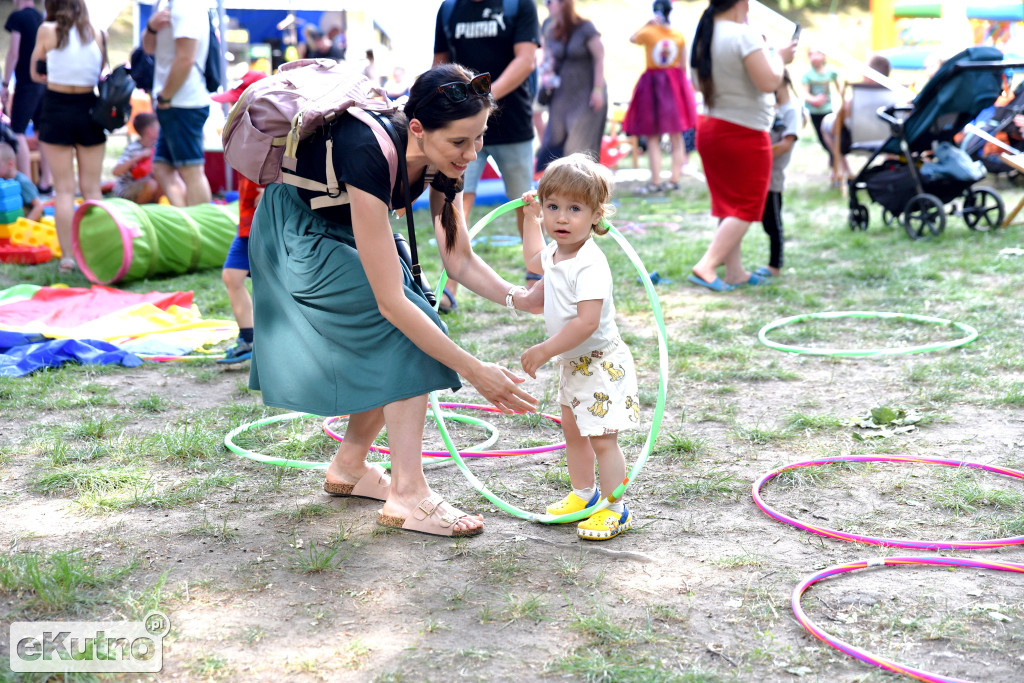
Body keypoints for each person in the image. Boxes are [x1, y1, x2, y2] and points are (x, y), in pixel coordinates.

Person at [247, 64, 543, 537]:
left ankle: (349, 465)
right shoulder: (369, 149)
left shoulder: (445, 160)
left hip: (346, 228)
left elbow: (459, 259)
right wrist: (475, 370)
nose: (472, 154)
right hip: (298, 233)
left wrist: (518, 297)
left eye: (479, 138)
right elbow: (391, 304)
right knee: (406, 331)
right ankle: (408, 494)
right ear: (419, 130)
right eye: (460, 142)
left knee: (412, 327)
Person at [519, 154, 639, 541]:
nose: (562, 218)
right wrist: (529, 218)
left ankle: (616, 508)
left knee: (603, 438)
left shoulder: (590, 263)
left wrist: (544, 350)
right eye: (553, 207)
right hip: (574, 362)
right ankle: (584, 495)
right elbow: (532, 261)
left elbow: (587, 322)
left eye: (574, 208)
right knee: (573, 432)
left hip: (599, 361)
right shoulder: (556, 253)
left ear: (596, 215)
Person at [433, 0, 541, 310]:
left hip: (513, 123)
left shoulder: (518, 5)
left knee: (526, 204)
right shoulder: (449, 8)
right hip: (461, 128)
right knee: (456, 203)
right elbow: (440, 65)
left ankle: (539, 279)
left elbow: (525, 61)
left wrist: (483, 100)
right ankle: (448, 285)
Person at [687, 0, 795, 292]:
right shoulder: (742, 34)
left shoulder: (702, 34)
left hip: (710, 128)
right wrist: (780, 57)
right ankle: (708, 264)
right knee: (747, 206)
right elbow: (769, 81)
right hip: (743, 132)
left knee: (728, 204)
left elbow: (697, 84)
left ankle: (735, 271)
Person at [29, 0, 107, 274]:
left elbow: (35, 73)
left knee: (63, 189)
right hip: (89, 110)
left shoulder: (47, 30)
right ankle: (98, 251)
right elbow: (99, 72)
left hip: (56, 110)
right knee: (92, 189)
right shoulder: (97, 32)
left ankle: (68, 259)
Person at [212, 70, 268, 365]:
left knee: (272, 287)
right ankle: (249, 339)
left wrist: (272, 192)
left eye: (236, 102)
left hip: (264, 222)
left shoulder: (271, 130)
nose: (231, 108)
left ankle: (269, 343)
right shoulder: (245, 132)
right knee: (232, 276)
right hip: (247, 222)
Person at [622, 0, 700, 195]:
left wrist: (648, 24)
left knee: (652, 136)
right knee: (677, 135)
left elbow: (633, 38)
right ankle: (674, 179)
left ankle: (655, 182)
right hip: (674, 85)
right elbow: (683, 66)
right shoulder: (678, 35)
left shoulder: (648, 33)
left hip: (653, 86)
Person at [141, 0, 212, 207]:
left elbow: (186, 59)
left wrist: (165, 97)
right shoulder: (169, 5)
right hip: (174, 102)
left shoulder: (185, 5)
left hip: (182, 102)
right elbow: (148, 48)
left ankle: (202, 230)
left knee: (191, 170)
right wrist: (151, 27)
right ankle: (188, 223)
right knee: (162, 167)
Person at [534, 0, 606, 172]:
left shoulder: (585, 28)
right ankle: (561, 187)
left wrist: (598, 90)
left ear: (563, 3)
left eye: (549, 2)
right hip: (562, 95)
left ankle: (584, 189)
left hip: (586, 93)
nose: (546, 5)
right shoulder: (552, 30)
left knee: (579, 144)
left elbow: (599, 58)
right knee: (555, 140)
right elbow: (549, 59)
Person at [820, 54, 892, 186]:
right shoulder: (894, 97)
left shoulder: (854, 100)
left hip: (855, 144)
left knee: (827, 123)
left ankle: (844, 170)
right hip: (887, 144)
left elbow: (837, 129)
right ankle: (889, 170)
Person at [3, 0, 52, 195]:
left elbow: (14, 52)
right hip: (45, 82)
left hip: (27, 83)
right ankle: (46, 181)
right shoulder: (42, 19)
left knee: (18, 131)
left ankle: (27, 185)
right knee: (42, 132)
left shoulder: (18, 18)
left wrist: (5, 84)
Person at [756, 71, 798, 279]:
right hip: (761, 175)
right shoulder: (772, 108)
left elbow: (786, 143)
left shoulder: (792, 111)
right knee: (765, 221)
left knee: (773, 223)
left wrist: (762, 154)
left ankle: (775, 266)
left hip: (774, 177)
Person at [111, 112, 161, 204]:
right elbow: (116, 171)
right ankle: (138, 212)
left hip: (146, 187)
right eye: (158, 126)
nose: (161, 129)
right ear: (149, 131)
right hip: (126, 189)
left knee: (163, 182)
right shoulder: (133, 148)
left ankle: (155, 207)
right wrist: (139, 156)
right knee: (151, 184)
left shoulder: (158, 147)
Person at [801, 47, 838, 169]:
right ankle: (834, 157)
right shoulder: (808, 75)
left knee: (831, 136)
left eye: (817, 53)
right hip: (814, 112)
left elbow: (840, 88)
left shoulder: (830, 72)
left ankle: (835, 159)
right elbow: (805, 94)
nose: (814, 57)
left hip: (828, 111)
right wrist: (814, 100)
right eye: (811, 54)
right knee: (822, 138)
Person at [0, 142, 43, 222]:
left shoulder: (22, 182)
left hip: (31, 221)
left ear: (10, 164)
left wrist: (25, 224)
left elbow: (39, 206)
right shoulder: (4, 182)